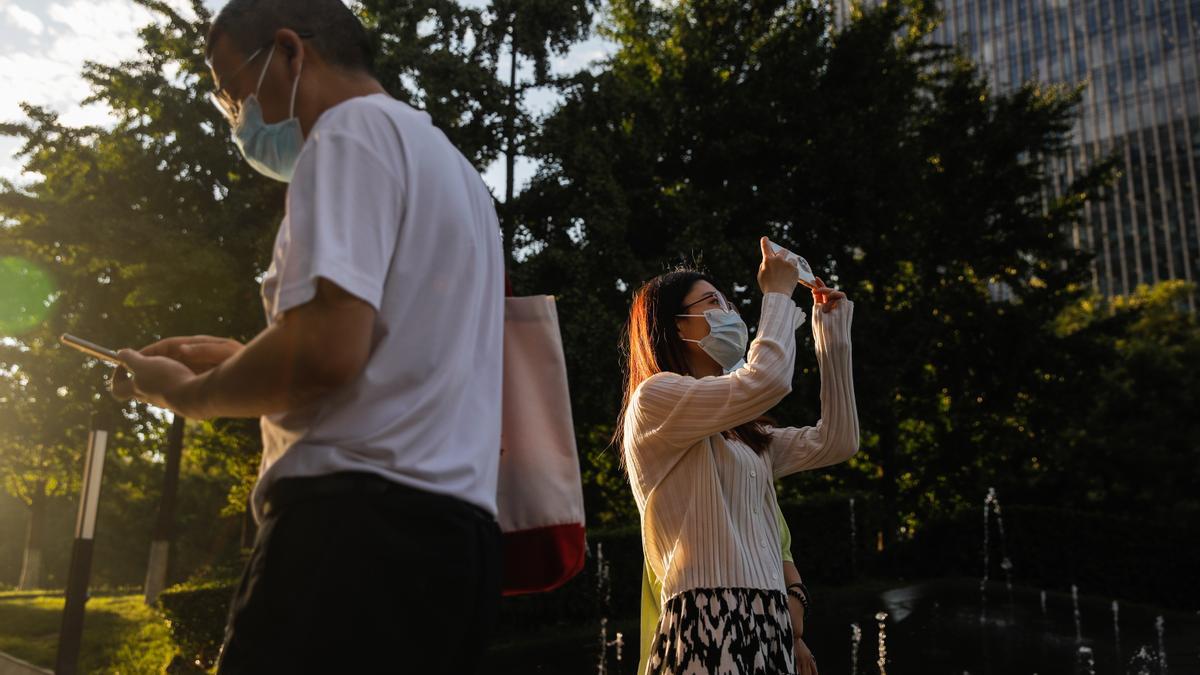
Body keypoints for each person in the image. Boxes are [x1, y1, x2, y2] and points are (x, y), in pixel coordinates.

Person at [110, 1, 504, 672]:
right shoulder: (454, 171)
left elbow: (325, 350)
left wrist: (194, 392)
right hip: (454, 550)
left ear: (292, 52)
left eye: (237, 93)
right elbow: (389, 365)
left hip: (347, 541)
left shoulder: (346, 132)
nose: (241, 120)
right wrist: (245, 360)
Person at [617, 238, 858, 674]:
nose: (728, 312)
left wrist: (831, 334)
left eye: (726, 301)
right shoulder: (655, 399)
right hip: (706, 622)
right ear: (674, 327)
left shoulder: (743, 435)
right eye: (712, 302)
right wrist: (777, 293)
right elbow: (766, 381)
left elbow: (837, 441)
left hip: (769, 623)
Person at [637, 505, 818, 675]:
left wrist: (793, 632)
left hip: (760, 636)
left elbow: (781, 553)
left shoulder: (756, 487)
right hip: (704, 633)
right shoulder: (691, 496)